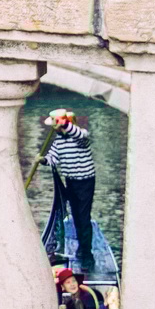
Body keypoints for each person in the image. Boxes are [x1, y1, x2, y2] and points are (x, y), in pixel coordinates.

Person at [43, 108, 96, 274]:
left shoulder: (81, 137)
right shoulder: (59, 141)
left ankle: (87, 255)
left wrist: (64, 124)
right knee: (76, 216)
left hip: (86, 181)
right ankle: (82, 247)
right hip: (71, 182)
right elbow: (52, 158)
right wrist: (43, 160)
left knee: (83, 217)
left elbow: (82, 136)